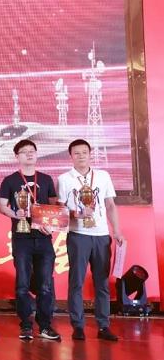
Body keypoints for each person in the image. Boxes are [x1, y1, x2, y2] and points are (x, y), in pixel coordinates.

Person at [58, 139, 125, 341]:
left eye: (84, 152)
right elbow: (61, 210)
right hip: (78, 235)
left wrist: (117, 231)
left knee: (102, 283)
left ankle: (103, 326)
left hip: (101, 235)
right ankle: (78, 326)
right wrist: (77, 214)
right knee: (76, 282)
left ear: (90, 154)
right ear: (71, 156)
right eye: (76, 153)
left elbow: (110, 205)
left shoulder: (103, 176)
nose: (81, 156)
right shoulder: (64, 179)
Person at [0, 139, 60, 341]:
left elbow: (54, 207)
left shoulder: (47, 179)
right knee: (23, 284)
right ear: (17, 156)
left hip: (44, 237)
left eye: (32, 150)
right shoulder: (10, 180)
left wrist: (51, 224)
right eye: (24, 151)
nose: (29, 154)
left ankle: (45, 325)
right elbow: (3, 206)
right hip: (22, 237)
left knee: (45, 284)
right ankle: (25, 324)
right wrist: (16, 214)